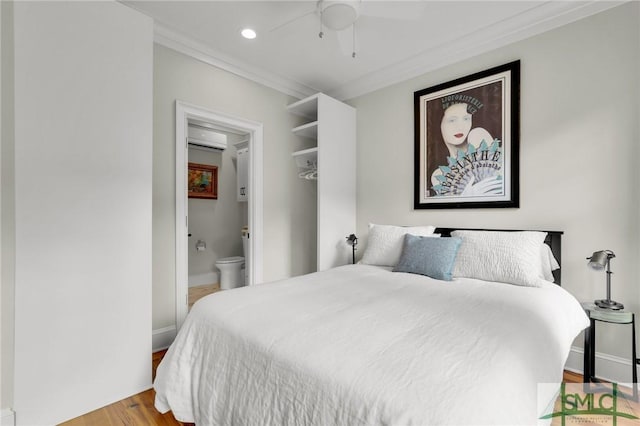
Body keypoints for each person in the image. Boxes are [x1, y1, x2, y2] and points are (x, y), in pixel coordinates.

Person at [428, 96, 503, 197]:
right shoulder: (439, 174)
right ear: (439, 124)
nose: (460, 126)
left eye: (466, 119)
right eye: (452, 120)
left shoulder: (478, 136)